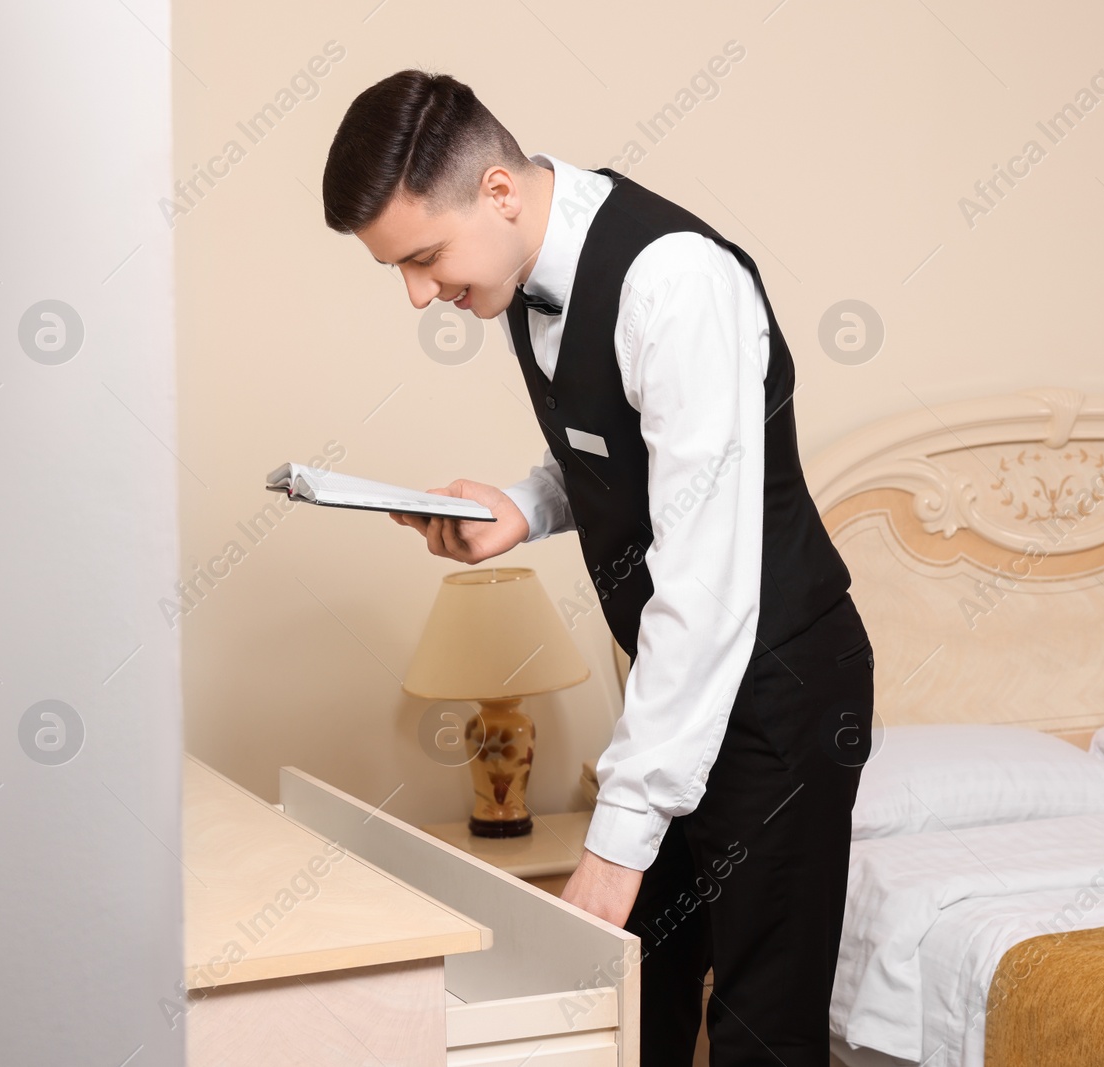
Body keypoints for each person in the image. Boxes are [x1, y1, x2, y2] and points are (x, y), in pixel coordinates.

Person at [321, 69, 875, 1067]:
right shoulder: (533, 269)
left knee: (758, 1036)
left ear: (496, 192)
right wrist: (522, 507)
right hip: (677, 691)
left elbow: (705, 584)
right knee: (637, 1014)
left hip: (778, 692)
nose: (418, 293)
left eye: (424, 257)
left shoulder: (675, 282)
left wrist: (619, 840)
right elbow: (623, 443)